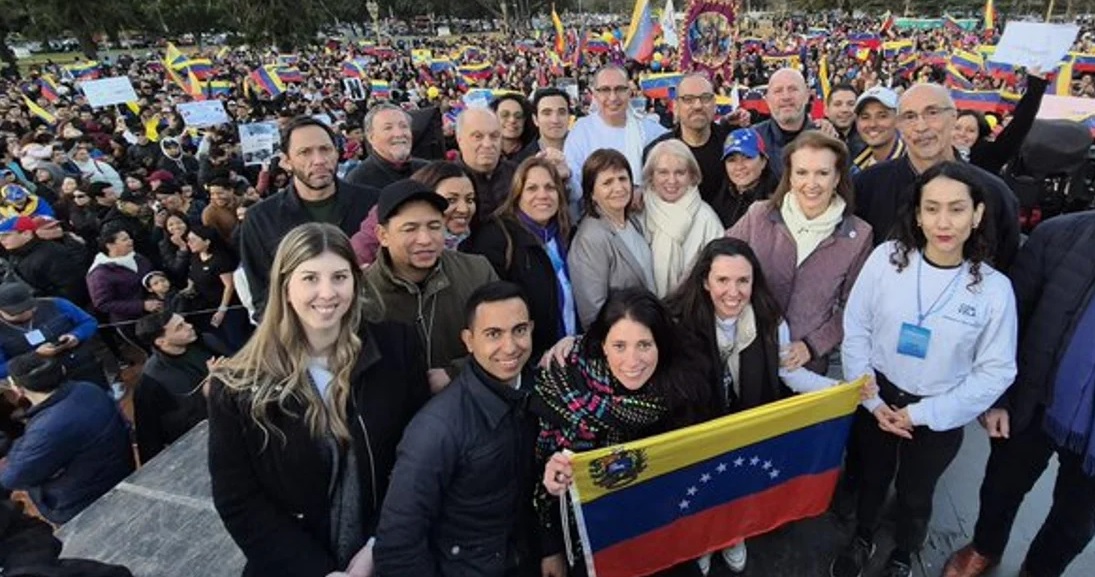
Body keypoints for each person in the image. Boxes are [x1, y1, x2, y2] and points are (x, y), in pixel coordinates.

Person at [207, 223, 430, 577]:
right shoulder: (238, 385)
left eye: (339, 277)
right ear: (285, 286)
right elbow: (238, 498)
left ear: (356, 282)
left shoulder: (397, 349)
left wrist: (376, 545)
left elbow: (416, 459)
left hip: (390, 554)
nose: (327, 293)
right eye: (310, 278)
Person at [832, 161, 1018, 577]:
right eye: (931, 208)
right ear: (917, 214)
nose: (943, 222)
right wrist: (871, 397)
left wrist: (921, 414)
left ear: (978, 214)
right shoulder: (886, 260)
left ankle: (904, 551)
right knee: (872, 476)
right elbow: (857, 326)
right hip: (877, 394)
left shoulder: (993, 289)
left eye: (956, 208)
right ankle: (862, 535)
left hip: (939, 411)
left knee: (918, 492)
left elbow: (996, 370)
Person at [667, 237, 846, 574]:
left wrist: (840, 390)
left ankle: (732, 536)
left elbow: (790, 374)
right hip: (699, 427)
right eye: (722, 280)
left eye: (742, 281)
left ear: (754, 281)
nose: (732, 292)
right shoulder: (677, 321)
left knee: (738, 486)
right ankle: (703, 541)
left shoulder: (770, 319)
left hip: (747, 422)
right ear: (705, 281)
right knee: (703, 490)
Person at [941, 210, 1095, 577]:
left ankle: (1040, 570)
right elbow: (1007, 324)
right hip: (1034, 399)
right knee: (1001, 487)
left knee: (1077, 521)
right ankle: (985, 547)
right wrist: (997, 398)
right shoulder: (1058, 236)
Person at [374, 282, 545, 576]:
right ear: (468, 340)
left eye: (519, 330)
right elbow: (397, 544)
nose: (510, 346)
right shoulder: (437, 428)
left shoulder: (540, 394)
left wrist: (549, 547)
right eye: (493, 334)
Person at [537, 288, 709, 576]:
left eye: (644, 345)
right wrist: (550, 538)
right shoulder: (564, 383)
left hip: (665, 533)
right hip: (597, 542)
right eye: (619, 346)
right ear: (602, 344)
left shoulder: (682, 390)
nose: (632, 361)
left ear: (661, 345)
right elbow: (542, 474)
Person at [728, 131, 872, 375]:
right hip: (749, 354)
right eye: (802, 173)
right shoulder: (759, 215)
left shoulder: (858, 235)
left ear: (837, 177)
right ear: (790, 176)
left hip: (807, 366)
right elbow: (715, 260)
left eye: (823, 173)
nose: (811, 183)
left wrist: (813, 346)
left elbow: (856, 308)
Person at [853, 83, 1020, 271]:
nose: (921, 127)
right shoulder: (866, 186)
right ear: (899, 125)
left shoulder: (994, 193)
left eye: (932, 113)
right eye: (910, 117)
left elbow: (1007, 265)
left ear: (953, 117)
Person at [239, 116, 380, 317]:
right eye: (305, 152)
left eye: (325, 149)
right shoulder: (261, 219)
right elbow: (263, 296)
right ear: (286, 161)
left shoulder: (372, 203)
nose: (319, 160)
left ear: (337, 152)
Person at [363, 179, 497, 384]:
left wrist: (455, 373)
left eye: (434, 226)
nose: (425, 239)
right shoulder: (363, 292)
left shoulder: (477, 272)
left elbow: (504, 341)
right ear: (383, 235)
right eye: (410, 229)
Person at [462, 157, 577, 360]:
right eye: (532, 188)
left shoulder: (568, 234)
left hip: (573, 351)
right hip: (528, 360)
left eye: (550, 187)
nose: (543, 195)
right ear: (517, 194)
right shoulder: (497, 237)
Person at [0, 352, 134, 524]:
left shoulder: (47, 428)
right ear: (61, 369)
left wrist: (14, 449)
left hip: (82, 503)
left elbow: (12, 477)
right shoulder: (87, 388)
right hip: (118, 474)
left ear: (19, 390)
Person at [568, 149, 655, 329]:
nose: (618, 188)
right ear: (592, 193)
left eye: (623, 179)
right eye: (607, 182)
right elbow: (593, 312)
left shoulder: (633, 222)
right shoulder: (590, 238)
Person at [564, 64, 668, 215]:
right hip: (599, 223)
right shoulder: (581, 131)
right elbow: (575, 186)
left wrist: (644, 190)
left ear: (629, 92)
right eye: (605, 90)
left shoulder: (650, 130)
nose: (613, 97)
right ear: (595, 94)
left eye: (619, 89)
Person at [133, 311, 226, 463]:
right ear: (161, 341)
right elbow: (148, 435)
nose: (189, 326)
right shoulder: (151, 381)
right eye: (179, 327)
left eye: (185, 321)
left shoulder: (206, 342)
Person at [352, 161, 477, 266]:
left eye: (470, 200)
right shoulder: (370, 243)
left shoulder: (475, 244)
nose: (464, 209)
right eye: (451, 200)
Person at [642, 139, 724, 298]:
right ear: (651, 175)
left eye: (680, 172)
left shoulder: (707, 218)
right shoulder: (637, 211)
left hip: (692, 310)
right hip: (645, 311)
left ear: (692, 176)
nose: (672, 180)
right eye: (663, 172)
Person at [644, 73, 736, 214]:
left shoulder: (733, 145)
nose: (698, 106)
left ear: (714, 104)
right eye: (688, 99)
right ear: (675, 107)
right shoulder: (656, 152)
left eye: (705, 98)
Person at [0, 281, 106, 387]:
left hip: (82, 365)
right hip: (43, 383)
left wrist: (76, 335)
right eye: (18, 312)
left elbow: (89, 322)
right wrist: (34, 356)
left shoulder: (56, 304)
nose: (27, 313)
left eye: (29, 307)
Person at [955, 71, 1047, 175]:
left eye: (970, 130)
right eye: (957, 128)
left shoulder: (990, 156)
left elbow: (1020, 124)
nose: (962, 134)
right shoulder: (937, 152)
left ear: (980, 135)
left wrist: (1036, 85)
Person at [750, 68, 828, 179]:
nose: (786, 97)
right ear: (767, 100)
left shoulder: (826, 138)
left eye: (793, 89)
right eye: (778, 91)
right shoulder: (753, 138)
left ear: (807, 95)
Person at [0, 214, 90, 305]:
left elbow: (73, 289)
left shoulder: (52, 254)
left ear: (26, 233)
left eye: (6, 235)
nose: (2, 240)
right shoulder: (15, 254)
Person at [184, 224, 248, 351]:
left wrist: (222, 309)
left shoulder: (220, 259)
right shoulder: (195, 257)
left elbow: (229, 285)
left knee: (236, 340)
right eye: (188, 239)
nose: (189, 243)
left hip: (229, 307)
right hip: (207, 306)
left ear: (207, 241)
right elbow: (193, 275)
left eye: (193, 239)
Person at [86, 223, 158, 326]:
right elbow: (103, 304)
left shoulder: (138, 258)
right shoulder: (100, 273)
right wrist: (141, 306)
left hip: (154, 312)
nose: (131, 241)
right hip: (129, 321)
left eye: (129, 238)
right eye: (125, 240)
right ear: (110, 245)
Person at [345, 103, 429, 190]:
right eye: (388, 128)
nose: (399, 134)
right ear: (371, 137)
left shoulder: (429, 171)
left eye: (404, 126)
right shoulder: (357, 182)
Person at [454, 107, 516, 220]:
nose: (487, 144)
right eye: (478, 137)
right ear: (460, 140)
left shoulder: (518, 175)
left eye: (494, 136)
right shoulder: (446, 181)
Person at [719, 127, 778, 228]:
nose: (739, 166)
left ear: (763, 161)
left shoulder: (778, 202)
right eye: (732, 160)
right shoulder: (720, 200)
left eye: (747, 157)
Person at [851, 86, 905, 173]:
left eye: (882, 116)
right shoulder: (854, 167)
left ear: (898, 119)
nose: (872, 124)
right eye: (865, 117)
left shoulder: (914, 164)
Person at [492, 93, 538, 163]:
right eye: (505, 115)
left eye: (518, 116)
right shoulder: (485, 152)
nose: (512, 120)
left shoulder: (535, 155)